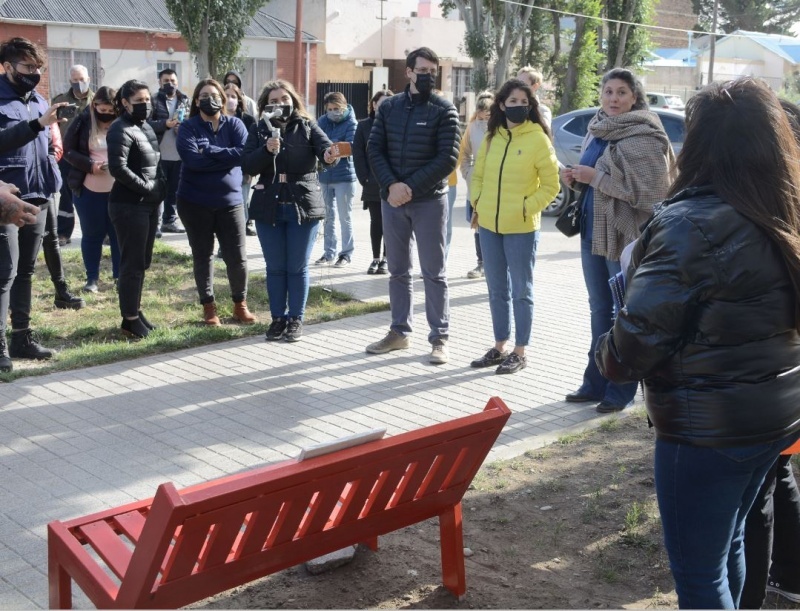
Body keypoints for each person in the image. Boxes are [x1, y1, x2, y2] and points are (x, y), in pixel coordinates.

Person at [595, 77, 800, 609]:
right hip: (770, 419)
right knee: (728, 543)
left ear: (700, 144)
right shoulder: (780, 211)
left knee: (699, 576)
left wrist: (608, 339)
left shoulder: (689, 224)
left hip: (706, 430)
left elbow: (628, 352)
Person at [562, 67, 674, 413]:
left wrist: (597, 178)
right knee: (599, 309)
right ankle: (594, 381)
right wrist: (575, 179)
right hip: (593, 231)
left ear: (634, 97)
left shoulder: (646, 135)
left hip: (625, 236)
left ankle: (620, 389)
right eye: (608, 91)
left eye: (621, 92)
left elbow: (654, 193)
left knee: (622, 312)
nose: (613, 98)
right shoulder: (598, 128)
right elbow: (594, 177)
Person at [739, 99, 800, 610]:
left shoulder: (766, 204)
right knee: (777, 475)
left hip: (775, 373)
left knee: (769, 481)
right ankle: (788, 574)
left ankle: (767, 587)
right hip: (783, 371)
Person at [366, 47, 460, 365]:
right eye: (422, 69)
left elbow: (447, 158)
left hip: (429, 201)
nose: (427, 75)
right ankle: (399, 333)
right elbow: (374, 148)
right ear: (408, 71)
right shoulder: (389, 107)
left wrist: (409, 187)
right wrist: (391, 186)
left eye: (433, 70)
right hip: (392, 200)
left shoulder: (444, 109)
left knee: (434, 273)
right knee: (397, 272)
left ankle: (439, 339)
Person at [468, 79, 559, 374]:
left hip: (521, 228)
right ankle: (499, 346)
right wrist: (478, 202)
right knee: (496, 289)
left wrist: (524, 207)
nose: (518, 106)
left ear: (530, 106)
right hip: (490, 227)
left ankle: (520, 351)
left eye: (524, 102)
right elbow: (477, 174)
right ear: (502, 105)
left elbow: (551, 185)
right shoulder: (493, 137)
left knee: (521, 290)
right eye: (513, 101)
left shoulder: (538, 139)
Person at [241, 80, 336, 343]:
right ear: (265, 105)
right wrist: (266, 149)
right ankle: (277, 319)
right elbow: (247, 163)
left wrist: (329, 156)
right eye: (273, 101)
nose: (279, 104)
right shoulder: (260, 128)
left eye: (284, 99)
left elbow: (327, 151)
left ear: (293, 101)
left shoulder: (306, 125)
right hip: (267, 205)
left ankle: (296, 319)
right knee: (275, 268)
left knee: (297, 267)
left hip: (302, 205)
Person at [0, 37, 65, 371]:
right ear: (7, 67)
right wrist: (37, 125)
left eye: (38, 67)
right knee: (4, 274)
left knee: (25, 270)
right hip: (6, 201)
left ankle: (21, 336)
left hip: (39, 196)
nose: (34, 73)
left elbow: (45, 145)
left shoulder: (39, 100)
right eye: (27, 67)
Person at [176, 78, 254, 326]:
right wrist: (225, 156)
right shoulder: (188, 127)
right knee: (203, 255)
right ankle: (209, 308)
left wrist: (208, 150)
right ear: (196, 101)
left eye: (215, 94)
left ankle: (240, 305)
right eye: (204, 95)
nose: (211, 99)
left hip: (230, 202)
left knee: (237, 257)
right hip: (194, 201)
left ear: (223, 98)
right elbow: (192, 161)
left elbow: (243, 154)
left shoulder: (236, 125)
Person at [107, 80, 165, 339]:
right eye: (139, 101)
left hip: (148, 205)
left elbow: (154, 162)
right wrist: (145, 188)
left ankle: (135, 310)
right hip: (129, 205)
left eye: (147, 100)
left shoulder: (144, 127)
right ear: (125, 103)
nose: (145, 105)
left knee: (142, 262)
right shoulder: (119, 129)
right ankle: (129, 319)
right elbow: (118, 168)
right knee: (131, 264)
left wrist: (158, 191)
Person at [63, 85, 120, 293]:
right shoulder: (82, 121)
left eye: (110, 110)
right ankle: (92, 278)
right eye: (101, 110)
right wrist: (90, 165)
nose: (105, 114)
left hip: (119, 189)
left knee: (117, 235)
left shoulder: (123, 122)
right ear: (94, 105)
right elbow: (67, 150)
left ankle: (119, 276)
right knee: (92, 234)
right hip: (88, 188)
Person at [44, 120, 85, 309]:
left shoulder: (39, 104)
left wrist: (49, 161)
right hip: (10, 180)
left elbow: (56, 142)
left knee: (51, 239)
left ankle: (61, 291)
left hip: (42, 182)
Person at [315, 91, 358, 268]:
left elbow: (351, 146)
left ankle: (346, 254)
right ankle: (328, 252)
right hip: (325, 175)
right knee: (327, 217)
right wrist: (329, 148)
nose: (333, 112)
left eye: (336, 108)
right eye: (330, 109)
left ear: (344, 106)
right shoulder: (322, 121)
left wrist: (331, 149)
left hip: (344, 177)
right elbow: (317, 142)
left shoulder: (351, 122)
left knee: (344, 217)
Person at [353, 89, 392, 275]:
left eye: (388, 103)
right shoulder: (364, 126)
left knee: (390, 221)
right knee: (376, 221)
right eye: (380, 103)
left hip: (392, 183)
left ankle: (386, 258)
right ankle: (376, 258)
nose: (383, 106)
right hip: (372, 182)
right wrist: (364, 178)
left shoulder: (396, 124)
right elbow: (358, 154)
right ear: (373, 105)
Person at [53, 64, 93, 244]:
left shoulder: (98, 100)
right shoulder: (60, 101)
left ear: (89, 80)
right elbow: (52, 128)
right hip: (66, 157)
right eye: (75, 80)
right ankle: (63, 233)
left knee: (96, 194)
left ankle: (102, 232)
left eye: (82, 79)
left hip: (91, 155)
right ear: (70, 81)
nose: (79, 83)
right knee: (66, 196)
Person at [148, 68, 188, 235]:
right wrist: (165, 124)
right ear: (160, 83)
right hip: (159, 153)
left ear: (177, 82)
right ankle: (155, 224)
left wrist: (182, 128)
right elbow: (147, 124)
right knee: (158, 190)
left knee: (173, 189)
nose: (170, 84)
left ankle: (169, 221)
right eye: (166, 81)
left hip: (179, 154)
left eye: (172, 81)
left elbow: (191, 121)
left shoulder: (184, 100)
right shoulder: (153, 100)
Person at [459, 90, 494, 279]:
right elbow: (464, 153)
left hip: (496, 184)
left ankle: (493, 263)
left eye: (490, 110)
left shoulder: (501, 127)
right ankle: (481, 263)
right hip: (476, 184)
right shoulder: (472, 127)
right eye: (483, 110)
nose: (486, 114)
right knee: (478, 224)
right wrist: (468, 173)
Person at [223, 82, 257, 237]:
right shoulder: (215, 118)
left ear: (239, 100)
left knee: (241, 205)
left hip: (242, 171)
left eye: (233, 96)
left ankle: (238, 238)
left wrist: (250, 169)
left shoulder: (248, 120)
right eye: (226, 96)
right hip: (221, 171)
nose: (230, 99)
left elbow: (252, 147)